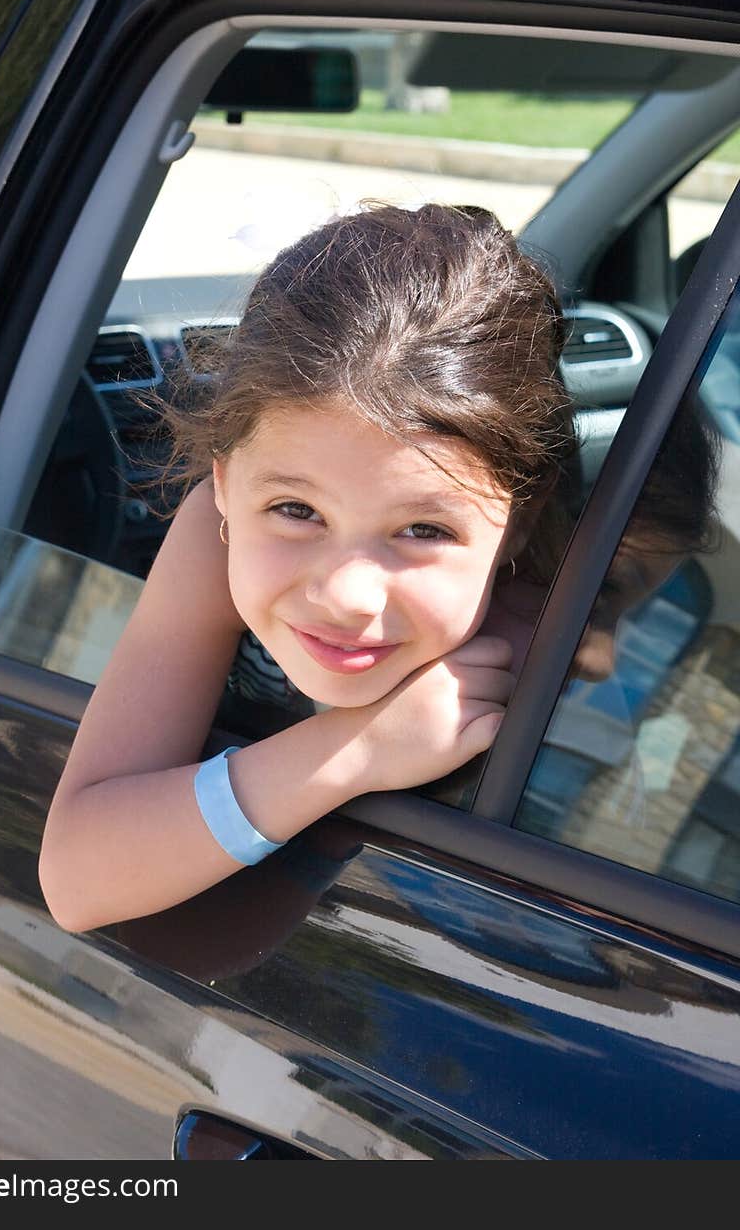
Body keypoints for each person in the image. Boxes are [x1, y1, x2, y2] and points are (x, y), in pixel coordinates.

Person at [38, 202, 575, 933]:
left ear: (521, 521)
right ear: (224, 483)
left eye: (423, 529)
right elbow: (78, 877)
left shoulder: (543, 632)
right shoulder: (214, 531)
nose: (347, 594)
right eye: (297, 511)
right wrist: (356, 752)